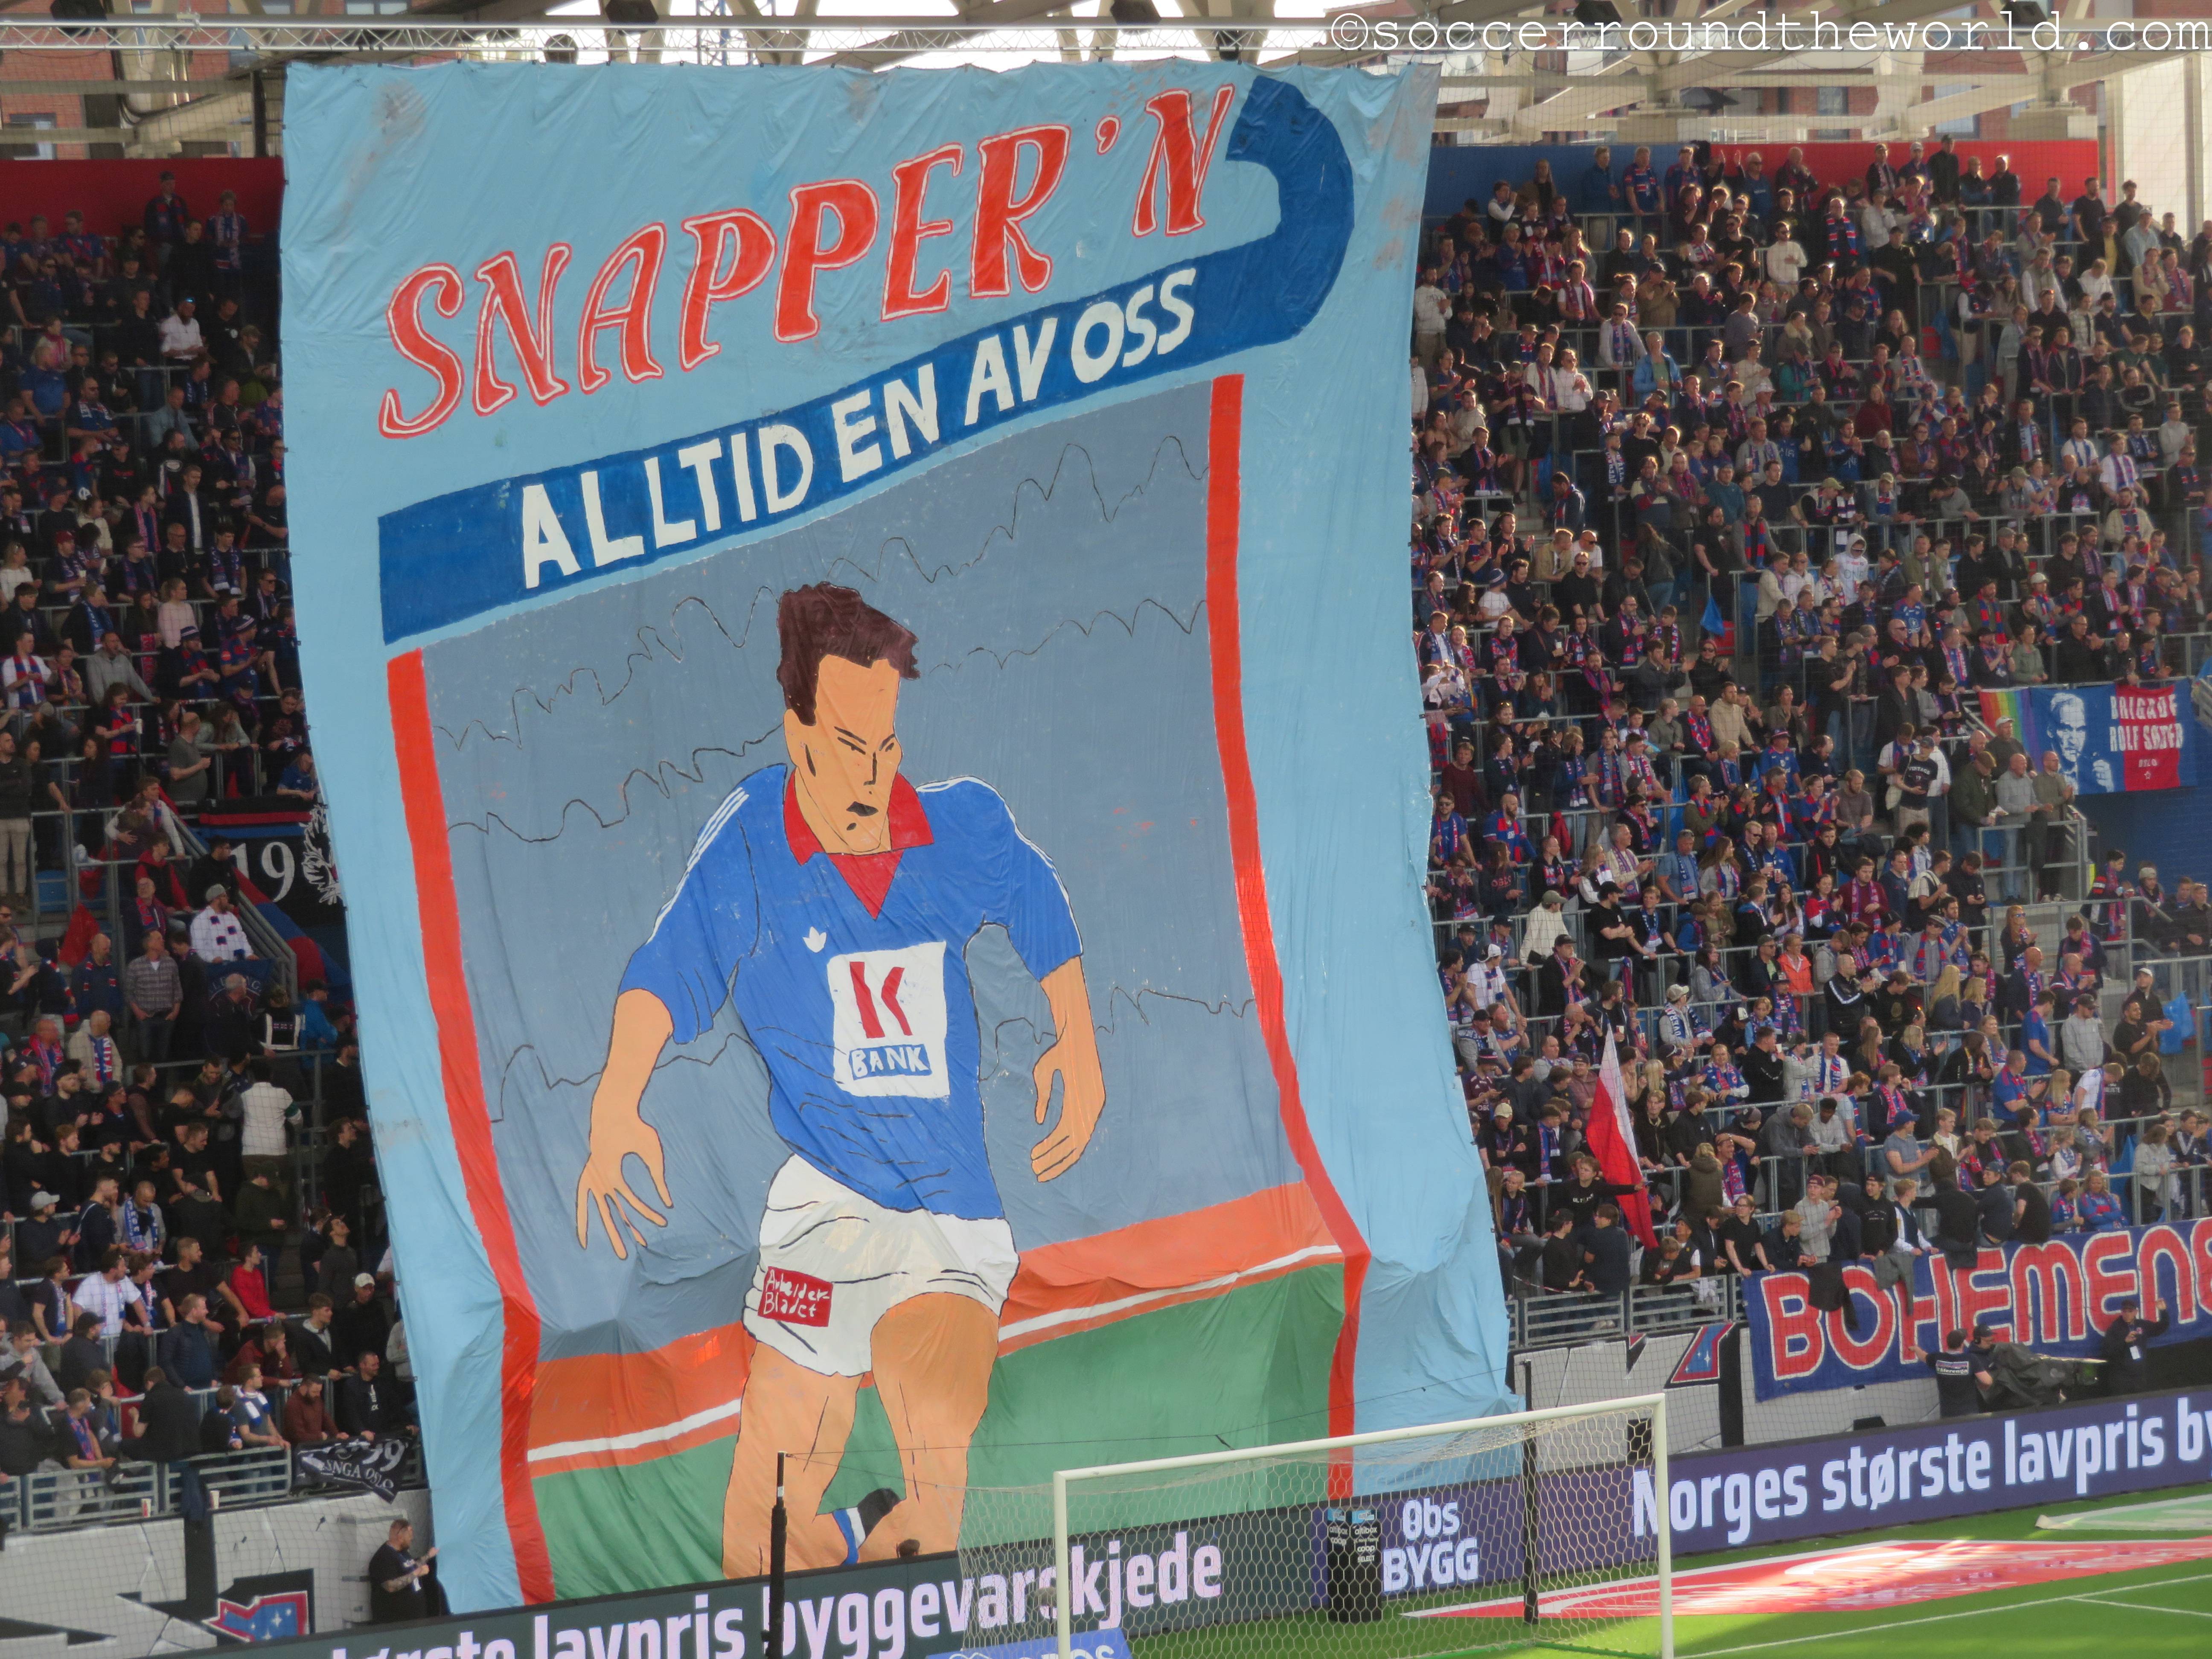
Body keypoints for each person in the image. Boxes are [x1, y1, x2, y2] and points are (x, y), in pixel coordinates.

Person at [574, 585, 1108, 1573]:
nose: (873, 775)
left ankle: (905, 1550)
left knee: (931, 1451)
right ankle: (855, 1540)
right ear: (798, 735)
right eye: (848, 746)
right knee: (756, 1548)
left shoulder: (957, 825)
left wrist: (1074, 1039)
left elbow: (1033, 893)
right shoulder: (752, 842)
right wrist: (617, 1102)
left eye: (887, 745)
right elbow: (667, 969)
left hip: (947, 1215)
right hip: (824, 1208)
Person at [369, 1517, 442, 1624]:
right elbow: (390, 1586)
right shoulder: (383, 1558)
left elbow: (412, 1566)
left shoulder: (402, 1552)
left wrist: (428, 1556)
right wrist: (417, 1573)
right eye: (409, 1537)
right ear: (401, 1538)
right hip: (398, 1623)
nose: (412, 1539)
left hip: (416, 1618)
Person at [2100, 1295, 2170, 1396]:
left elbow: (2160, 1328)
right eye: (2125, 1311)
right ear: (2122, 1312)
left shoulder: (2141, 1325)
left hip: (2139, 1374)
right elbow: (2108, 1350)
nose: (2127, 1314)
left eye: (2130, 1311)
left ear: (2136, 1312)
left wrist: (2163, 1312)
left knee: (2141, 1400)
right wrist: (2125, 1342)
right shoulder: (2115, 1328)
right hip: (2122, 1376)